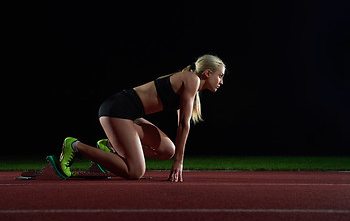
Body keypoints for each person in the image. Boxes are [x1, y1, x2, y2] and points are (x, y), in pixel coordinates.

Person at [60, 54, 226, 182]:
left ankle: (110, 146)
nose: (221, 81)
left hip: (130, 115)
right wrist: (179, 162)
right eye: (220, 76)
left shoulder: (191, 85)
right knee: (135, 172)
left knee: (168, 149)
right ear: (207, 73)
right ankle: (75, 145)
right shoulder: (192, 80)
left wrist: (175, 157)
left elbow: (181, 123)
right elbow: (183, 125)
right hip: (117, 109)